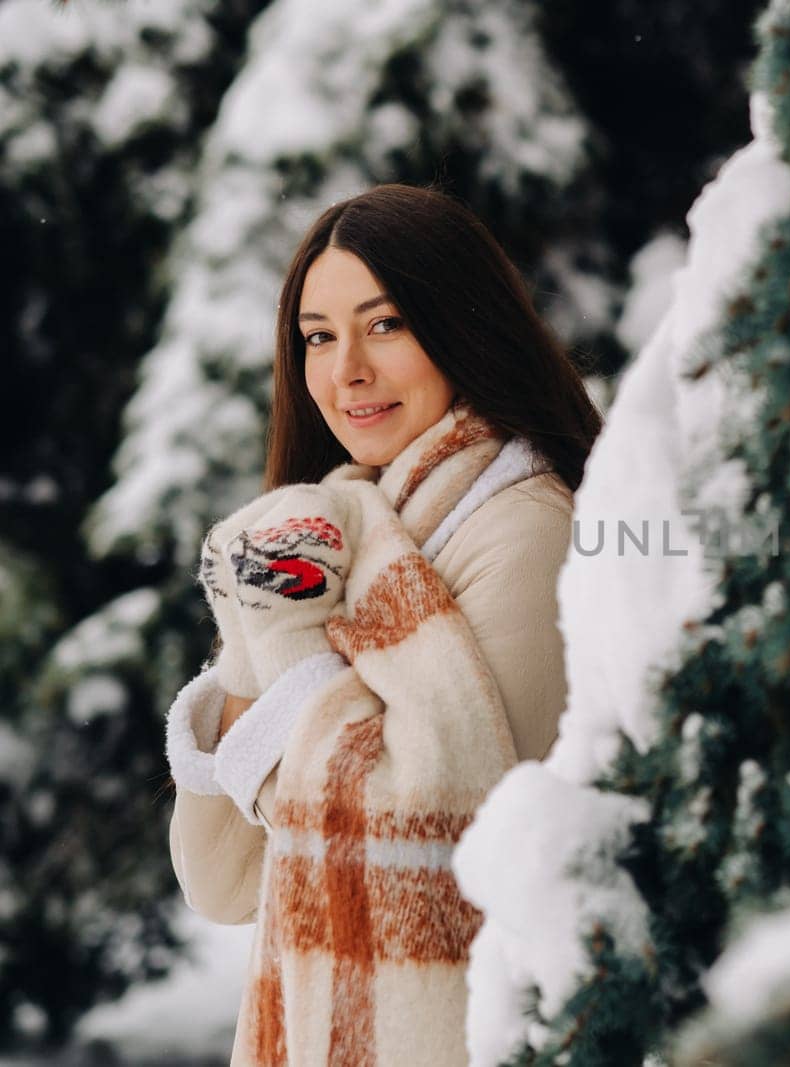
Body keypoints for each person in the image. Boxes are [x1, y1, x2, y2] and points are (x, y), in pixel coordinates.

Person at [163, 183, 602, 1066]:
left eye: (386, 324)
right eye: (318, 336)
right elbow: (223, 879)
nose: (345, 370)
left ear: (462, 325)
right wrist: (263, 620)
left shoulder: (524, 526)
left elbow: (436, 833)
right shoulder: (332, 536)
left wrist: (283, 637)